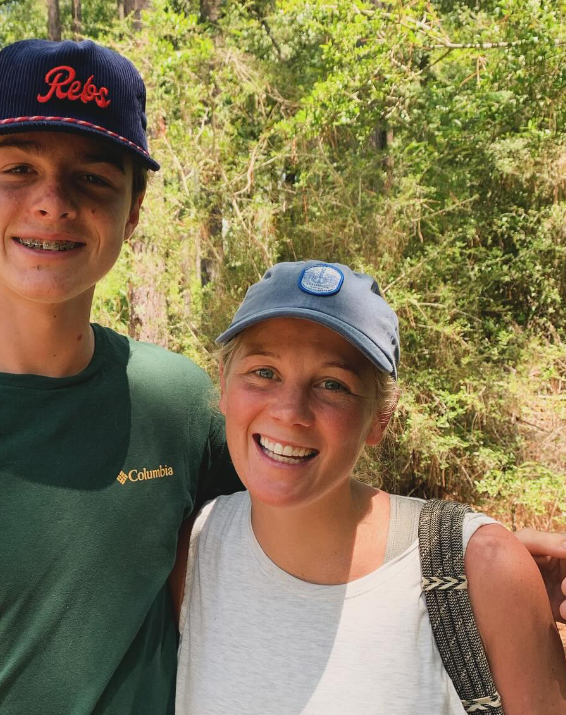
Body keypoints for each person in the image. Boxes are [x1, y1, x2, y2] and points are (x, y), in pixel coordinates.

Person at [0, 40, 565, 715]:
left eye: (92, 178)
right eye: (18, 169)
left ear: (132, 212)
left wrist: (482, 556)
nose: (52, 203)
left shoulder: (180, 403)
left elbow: (289, 530)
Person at [174, 261, 566, 714]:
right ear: (223, 386)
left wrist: (498, 572)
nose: (289, 411)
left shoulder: (478, 569)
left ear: (380, 417)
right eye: (264, 372)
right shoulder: (195, 552)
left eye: (332, 384)